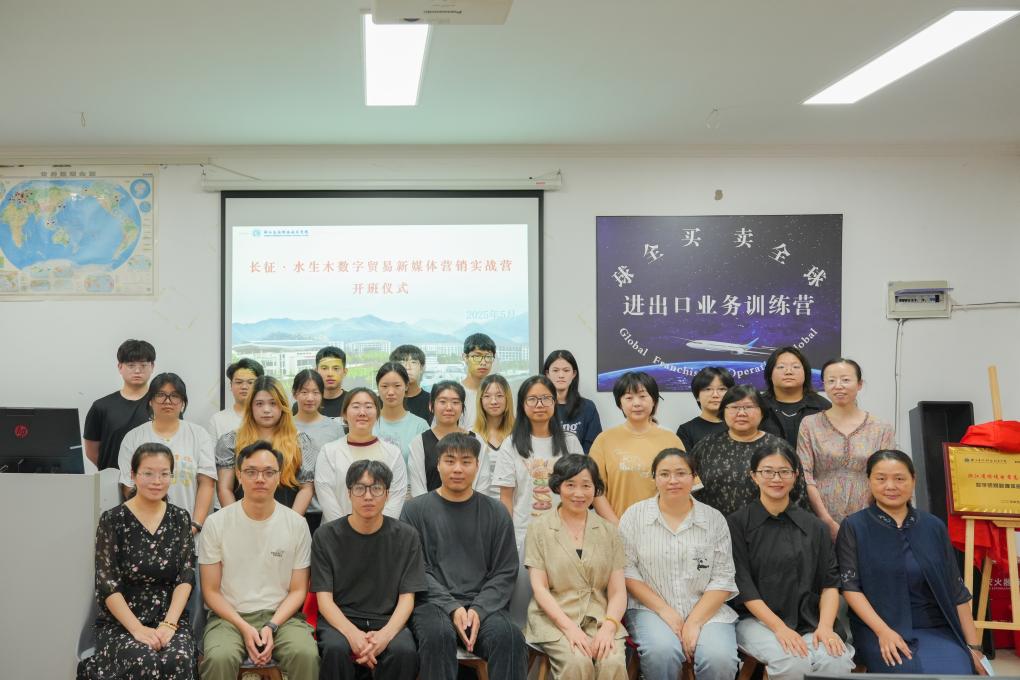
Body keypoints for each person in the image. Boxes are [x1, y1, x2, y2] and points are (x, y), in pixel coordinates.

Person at [836, 450, 988, 675]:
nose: (891, 486)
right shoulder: (854, 527)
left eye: (899, 478)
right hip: (879, 628)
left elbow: (956, 590)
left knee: (959, 671)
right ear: (869, 481)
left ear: (913, 480)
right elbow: (850, 588)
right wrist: (883, 632)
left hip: (935, 626)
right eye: (881, 478)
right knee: (907, 671)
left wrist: (974, 648)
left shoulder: (933, 526)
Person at [400, 432, 527, 680]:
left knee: (510, 638)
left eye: (466, 461)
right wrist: (452, 607)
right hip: (433, 605)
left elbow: (505, 571)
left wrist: (478, 609)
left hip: (484, 606)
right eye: (450, 461)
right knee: (438, 636)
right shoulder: (414, 510)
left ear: (477, 465)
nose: (457, 469)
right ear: (438, 464)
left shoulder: (496, 512)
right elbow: (415, 570)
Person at [728, 442, 855, 680]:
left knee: (835, 660)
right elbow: (744, 587)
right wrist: (779, 628)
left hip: (810, 620)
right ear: (754, 476)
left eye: (784, 471)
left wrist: (825, 627)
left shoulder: (815, 527)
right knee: (792, 660)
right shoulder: (737, 524)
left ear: (795, 476)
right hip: (756, 622)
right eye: (767, 471)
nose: (776, 478)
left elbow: (829, 584)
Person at [198, 441, 319, 680]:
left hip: (282, 617)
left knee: (305, 654)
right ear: (239, 475)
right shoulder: (217, 523)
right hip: (229, 617)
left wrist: (271, 626)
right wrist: (244, 628)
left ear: (279, 476)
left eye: (268, 472)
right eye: (251, 472)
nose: (260, 479)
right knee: (219, 657)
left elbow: (298, 590)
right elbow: (210, 591)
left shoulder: (296, 524)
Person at [620, 448, 739, 680]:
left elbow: (723, 577)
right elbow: (627, 570)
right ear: (654, 478)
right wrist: (665, 611)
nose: (672, 480)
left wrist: (694, 622)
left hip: (707, 611)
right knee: (662, 652)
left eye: (681, 473)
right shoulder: (634, 516)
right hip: (651, 609)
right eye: (664, 474)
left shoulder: (714, 519)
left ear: (694, 477)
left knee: (719, 659)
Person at [85, 443, 196, 680]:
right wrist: (137, 629)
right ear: (133, 475)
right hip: (122, 622)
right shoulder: (113, 520)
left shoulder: (180, 518)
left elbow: (186, 576)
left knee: (178, 658)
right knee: (143, 660)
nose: (157, 481)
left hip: (169, 618)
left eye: (164, 474)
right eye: (148, 473)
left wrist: (169, 624)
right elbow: (107, 584)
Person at [312, 459, 426, 680]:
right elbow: (324, 600)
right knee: (335, 650)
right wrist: (352, 634)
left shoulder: (407, 536)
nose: (367, 496)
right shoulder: (325, 536)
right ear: (349, 493)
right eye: (360, 488)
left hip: (387, 619)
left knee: (404, 652)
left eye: (376, 488)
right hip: (340, 619)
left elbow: (407, 598)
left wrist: (384, 636)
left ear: (387, 494)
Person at [525, 454, 628, 680]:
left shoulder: (609, 532)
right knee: (577, 662)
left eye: (586, 485)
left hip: (600, 619)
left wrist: (609, 627)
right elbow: (540, 589)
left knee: (612, 662)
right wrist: (570, 629)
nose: (579, 493)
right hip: (555, 618)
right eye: (570, 485)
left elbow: (618, 591)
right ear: (558, 486)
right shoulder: (539, 529)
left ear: (596, 489)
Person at [798, 358, 896, 541]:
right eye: (831, 380)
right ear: (824, 385)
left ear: (859, 384)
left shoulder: (881, 428)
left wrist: (864, 518)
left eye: (845, 379)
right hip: (819, 516)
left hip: (869, 516)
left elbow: (886, 476)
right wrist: (826, 520)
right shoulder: (809, 424)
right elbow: (805, 474)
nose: (838, 386)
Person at [691, 385, 809, 518]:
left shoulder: (780, 448)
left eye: (748, 407)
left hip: (768, 526)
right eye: (734, 407)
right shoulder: (706, 446)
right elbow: (691, 489)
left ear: (762, 412)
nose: (741, 413)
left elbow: (799, 495)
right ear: (723, 411)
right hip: (713, 525)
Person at [493, 375, 583, 549]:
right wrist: (507, 537)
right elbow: (506, 497)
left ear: (555, 402)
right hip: (523, 535)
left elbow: (580, 490)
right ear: (522, 404)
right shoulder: (511, 444)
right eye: (532, 399)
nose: (540, 405)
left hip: (565, 534)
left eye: (546, 398)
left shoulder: (570, 442)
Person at [118, 373, 215, 532]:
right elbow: (129, 485)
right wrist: (146, 525)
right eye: (161, 395)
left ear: (183, 402)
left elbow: (207, 483)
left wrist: (194, 525)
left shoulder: (199, 435)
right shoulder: (133, 437)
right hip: (145, 530)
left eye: (175, 396)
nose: (167, 401)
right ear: (150, 400)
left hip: (188, 529)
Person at [590, 372, 684, 523]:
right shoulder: (604, 440)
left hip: (661, 528)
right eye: (629, 398)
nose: (636, 403)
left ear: (654, 400)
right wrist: (617, 526)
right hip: (616, 527)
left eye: (642, 396)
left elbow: (682, 487)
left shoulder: (671, 439)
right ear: (619, 403)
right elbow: (595, 490)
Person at [215, 376, 316, 514]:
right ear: (250, 407)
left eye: (273, 403)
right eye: (259, 404)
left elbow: (306, 489)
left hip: (287, 519)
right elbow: (224, 489)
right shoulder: (231, 441)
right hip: (241, 519)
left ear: (282, 406)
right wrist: (237, 520)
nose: (266, 409)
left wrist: (291, 522)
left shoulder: (300, 442)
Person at [315, 388, 407, 523]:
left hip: (383, 532)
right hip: (336, 531)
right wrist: (346, 529)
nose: (362, 412)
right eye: (356, 406)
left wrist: (378, 528)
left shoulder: (393, 453)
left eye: (368, 407)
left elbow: (396, 497)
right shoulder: (328, 452)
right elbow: (326, 497)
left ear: (377, 414)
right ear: (344, 414)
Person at [408, 381, 491, 497]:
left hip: (472, 507)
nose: (449, 407)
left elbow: (483, 484)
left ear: (462, 407)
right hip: (428, 507)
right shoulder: (419, 443)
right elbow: (418, 490)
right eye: (442, 402)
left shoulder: (477, 440)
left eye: (455, 402)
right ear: (431, 406)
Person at [84, 338, 156, 470]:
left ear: (152, 367)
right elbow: (91, 451)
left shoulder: (164, 405)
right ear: (120, 367)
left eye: (143, 365)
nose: (137, 370)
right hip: (112, 479)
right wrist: (113, 473)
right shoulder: (101, 406)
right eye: (131, 365)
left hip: (153, 479)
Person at [292, 369, 345, 533]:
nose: (310, 398)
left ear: (322, 395)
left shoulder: (335, 428)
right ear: (294, 393)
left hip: (326, 509)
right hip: (291, 507)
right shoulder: (284, 426)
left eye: (315, 392)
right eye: (304, 392)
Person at [761, 347, 830, 449]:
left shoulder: (823, 407)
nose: (788, 372)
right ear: (770, 374)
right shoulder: (758, 406)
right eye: (781, 367)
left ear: (805, 373)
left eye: (795, 367)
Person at [543, 349, 603, 454]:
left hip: (579, 464)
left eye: (566, 370)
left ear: (574, 374)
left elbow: (593, 448)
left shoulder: (588, 407)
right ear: (547, 374)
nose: (561, 375)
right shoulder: (539, 407)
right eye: (555, 370)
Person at [374, 362, 429, 469]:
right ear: (378, 387)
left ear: (406, 386)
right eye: (384, 386)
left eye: (397, 386)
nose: (390, 392)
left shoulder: (420, 426)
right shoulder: (368, 423)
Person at [472, 373, 515, 499]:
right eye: (487, 396)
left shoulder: (519, 434)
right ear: (480, 400)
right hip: (481, 503)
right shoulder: (472, 436)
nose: (494, 401)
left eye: (499, 396)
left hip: (513, 504)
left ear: (507, 399)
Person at [675, 366, 734, 452]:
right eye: (708, 389)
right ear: (697, 396)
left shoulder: (740, 425)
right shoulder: (686, 431)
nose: (715, 395)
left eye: (722, 389)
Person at [208, 358, 264, 442]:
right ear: (231, 385)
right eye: (239, 382)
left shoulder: (268, 416)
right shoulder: (217, 420)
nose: (244, 387)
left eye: (250, 382)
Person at [291, 346, 348, 418]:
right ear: (316, 371)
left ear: (344, 372)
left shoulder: (353, 402)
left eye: (336, 368)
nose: (330, 374)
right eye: (324, 368)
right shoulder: (302, 405)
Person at [460, 332, 497, 429]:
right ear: (465, 357)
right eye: (477, 356)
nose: (483, 362)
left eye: (488, 357)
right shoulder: (456, 394)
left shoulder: (498, 395)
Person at [390, 344, 431, 423]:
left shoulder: (433, 401)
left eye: (413, 362)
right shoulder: (381, 401)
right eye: (402, 362)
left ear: (422, 368)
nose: (407, 367)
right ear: (392, 368)